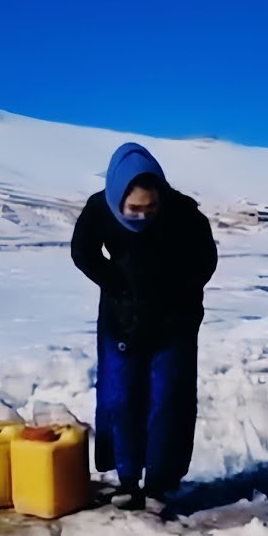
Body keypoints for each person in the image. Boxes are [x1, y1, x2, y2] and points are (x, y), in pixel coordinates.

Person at [71, 142, 218, 510]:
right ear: (118, 198)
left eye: (151, 208)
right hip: (122, 320)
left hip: (174, 323)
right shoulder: (99, 209)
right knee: (122, 398)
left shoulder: (183, 213)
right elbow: (83, 252)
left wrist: (176, 290)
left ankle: (159, 483)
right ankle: (127, 479)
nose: (143, 216)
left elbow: (205, 260)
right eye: (134, 210)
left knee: (167, 399)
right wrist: (118, 282)